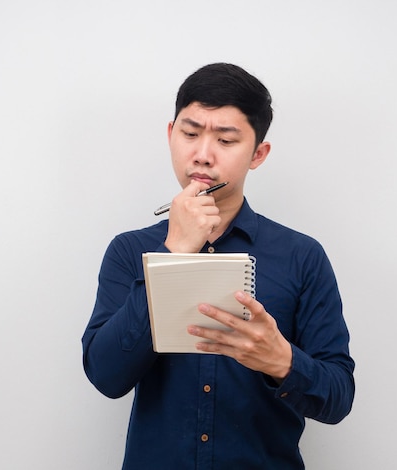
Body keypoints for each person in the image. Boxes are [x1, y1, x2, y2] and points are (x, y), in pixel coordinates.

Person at [82, 63, 355, 469]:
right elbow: (106, 376)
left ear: (258, 154)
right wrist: (175, 252)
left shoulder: (302, 256)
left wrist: (281, 360)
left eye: (226, 140)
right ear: (170, 134)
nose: (202, 155)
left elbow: (338, 397)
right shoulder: (129, 250)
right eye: (190, 134)